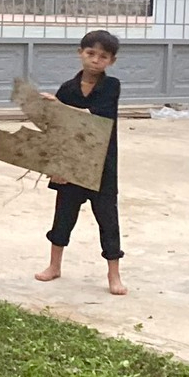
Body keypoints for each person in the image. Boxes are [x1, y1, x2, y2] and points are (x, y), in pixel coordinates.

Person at [36, 30, 126, 296]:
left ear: (112, 61)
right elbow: (57, 129)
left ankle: (114, 274)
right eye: (90, 54)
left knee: (108, 220)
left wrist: (59, 107)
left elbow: (93, 118)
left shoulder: (111, 87)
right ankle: (54, 266)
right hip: (71, 164)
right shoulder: (68, 89)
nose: (95, 60)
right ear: (80, 53)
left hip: (102, 165)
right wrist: (55, 166)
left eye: (103, 56)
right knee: (63, 217)